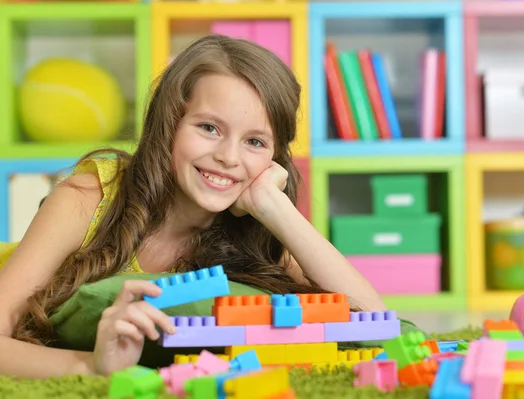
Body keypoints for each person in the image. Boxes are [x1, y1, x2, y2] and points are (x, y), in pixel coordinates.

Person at [0, 35, 413, 379]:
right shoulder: (89, 196)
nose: (229, 157)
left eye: (255, 141)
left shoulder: (255, 228)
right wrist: (90, 365)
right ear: (170, 124)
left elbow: (378, 326)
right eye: (209, 128)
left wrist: (277, 208)